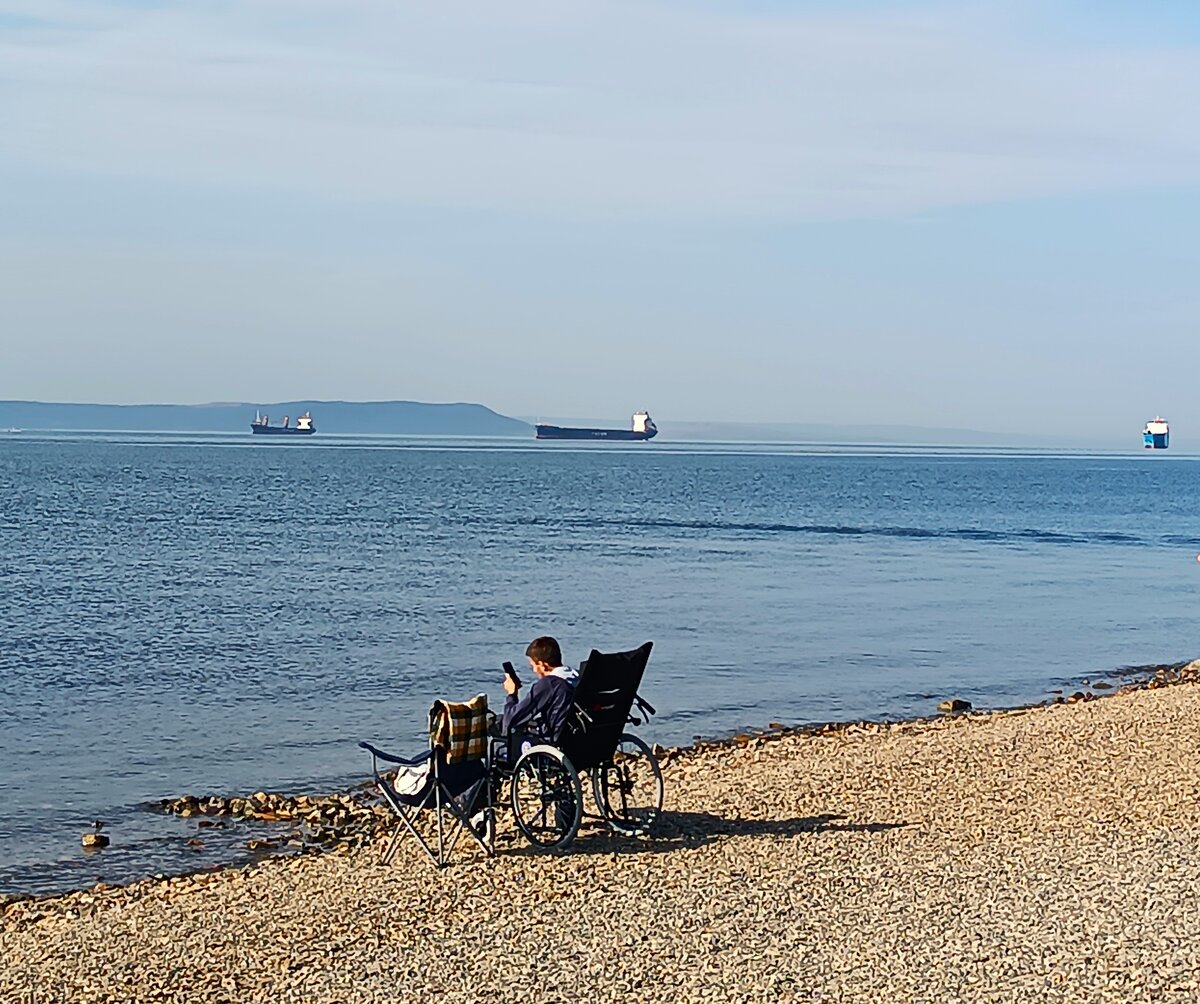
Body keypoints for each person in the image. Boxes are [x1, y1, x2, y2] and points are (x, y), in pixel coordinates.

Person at [500, 635, 579, 748]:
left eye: (533, 666)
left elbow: (510, 721)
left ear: (543, 665)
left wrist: (512, 694)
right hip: (577, 741)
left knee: (498, 724)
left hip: (553, 744)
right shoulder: (578, 677)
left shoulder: (549, 685)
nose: (533, 670)